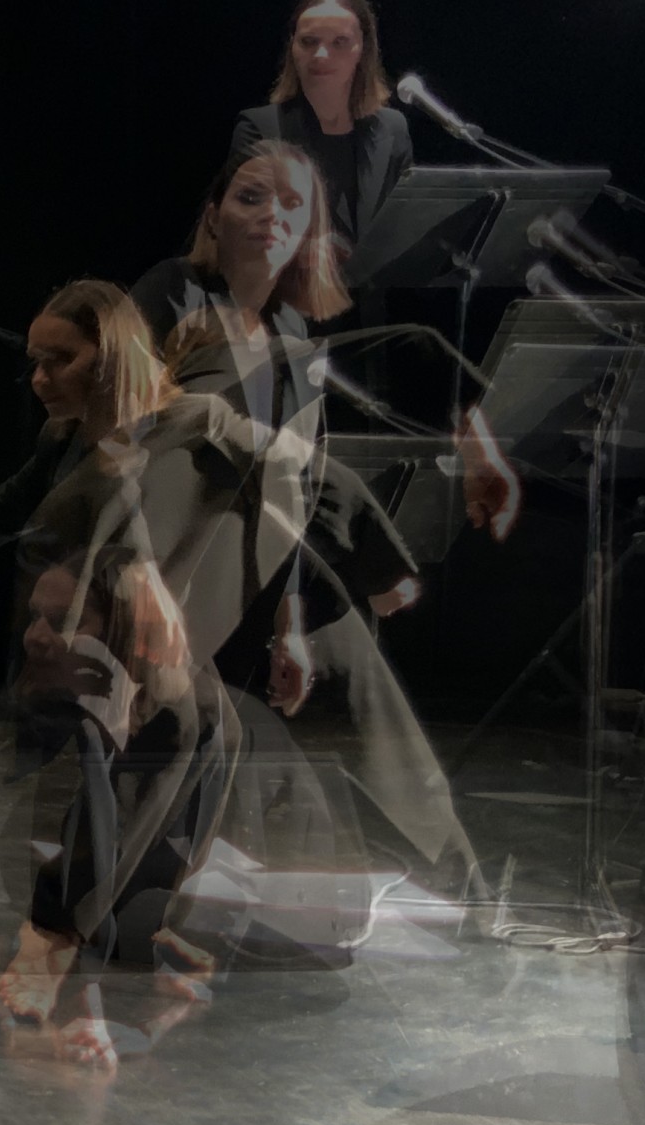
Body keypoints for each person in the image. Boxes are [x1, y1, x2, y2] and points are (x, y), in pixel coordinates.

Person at [0, 281, 280, 1069]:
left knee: (203, 742)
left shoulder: (185, 425)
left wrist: (295, 620)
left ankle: (102, 949)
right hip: (65, 651)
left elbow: (229, 498)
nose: (39, 379)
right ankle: (52, 958)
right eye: (33, 361)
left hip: (149, 651)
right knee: (68, 809)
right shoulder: (62, 439)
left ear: (113, 356)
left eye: (59, 360)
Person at [135, 144, 519, 903]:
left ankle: (457, 882)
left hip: (260, 557)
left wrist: (292, 623)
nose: (270, 216)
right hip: (174, 553)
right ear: (213, 216)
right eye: (250, 197)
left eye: (292, 205)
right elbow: (147, 439)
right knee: (321, 462)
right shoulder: (172, 291)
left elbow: (283, 493)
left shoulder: (292, 330)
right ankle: (376, 567)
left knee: (351, 659)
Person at [226, 0, 412, 253]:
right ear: (293, 47)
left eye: (340, 42)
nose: (321, 55)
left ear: (363, 49)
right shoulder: (260, 128)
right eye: (309, 42)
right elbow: (241, 234)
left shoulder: (393, 129)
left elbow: (401, 233)